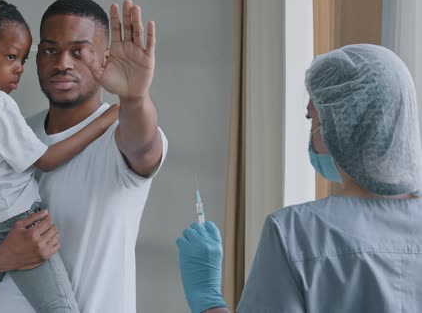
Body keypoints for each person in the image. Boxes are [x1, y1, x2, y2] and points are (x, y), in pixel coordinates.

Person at [0, 0, 168, 313]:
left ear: (105, 60)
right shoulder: (8, 130)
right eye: (50, 50)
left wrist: (135, 98)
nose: (63, 62)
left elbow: (143, 144)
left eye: (79, 51)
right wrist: (4, 257)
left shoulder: (120, 134)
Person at [177, 44, 422, 312]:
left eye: (312, 118)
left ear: (339, 124)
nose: (312, 134)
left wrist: (207, 297)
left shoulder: (296, 234)